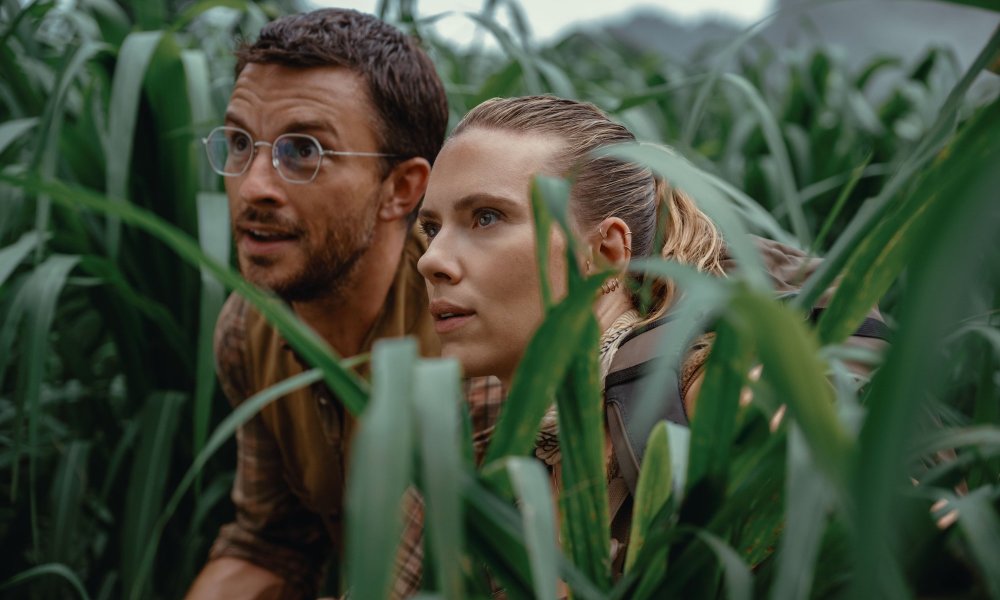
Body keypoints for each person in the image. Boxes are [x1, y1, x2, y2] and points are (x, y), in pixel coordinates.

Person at [185, 9, 485, 599]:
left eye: (303, 152)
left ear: (402, 189)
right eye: (240, 143)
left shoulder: (469, 340)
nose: (253, 187)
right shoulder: (250, 331)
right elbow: (269, 542)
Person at [415, 95, 729, 573]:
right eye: (432, 227)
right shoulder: (483, 454)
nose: (431, 259)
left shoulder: (710, 399)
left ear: (605, 253)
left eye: (486, 217)